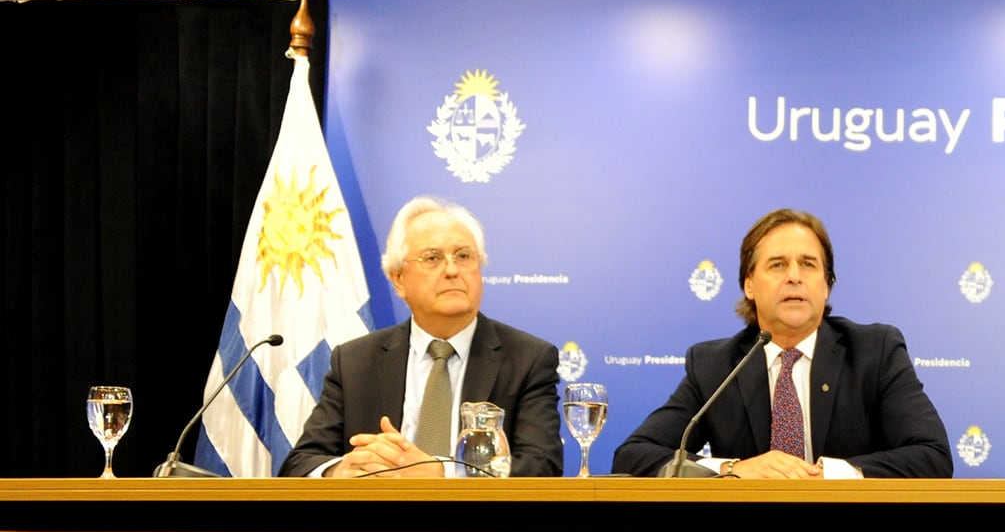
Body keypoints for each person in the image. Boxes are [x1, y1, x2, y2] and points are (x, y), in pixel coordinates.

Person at [610, 208, 952, 478]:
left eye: (808, 264)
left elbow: (932, 456)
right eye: (777, 265)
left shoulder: (874, 352)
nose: (794, 276)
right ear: (749, 285)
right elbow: (635, 455)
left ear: (826, 286)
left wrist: (829, 475)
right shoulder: (716, 365)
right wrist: (733, 469)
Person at [280, 196, 563, 478]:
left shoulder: (527, 359)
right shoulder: (355, 361)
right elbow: (300, 463)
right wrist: (341, 470)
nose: (452, 270)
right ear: (399, 279)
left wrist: (442, 472)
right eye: (433, 258)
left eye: (463, 256)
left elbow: (542, 466)